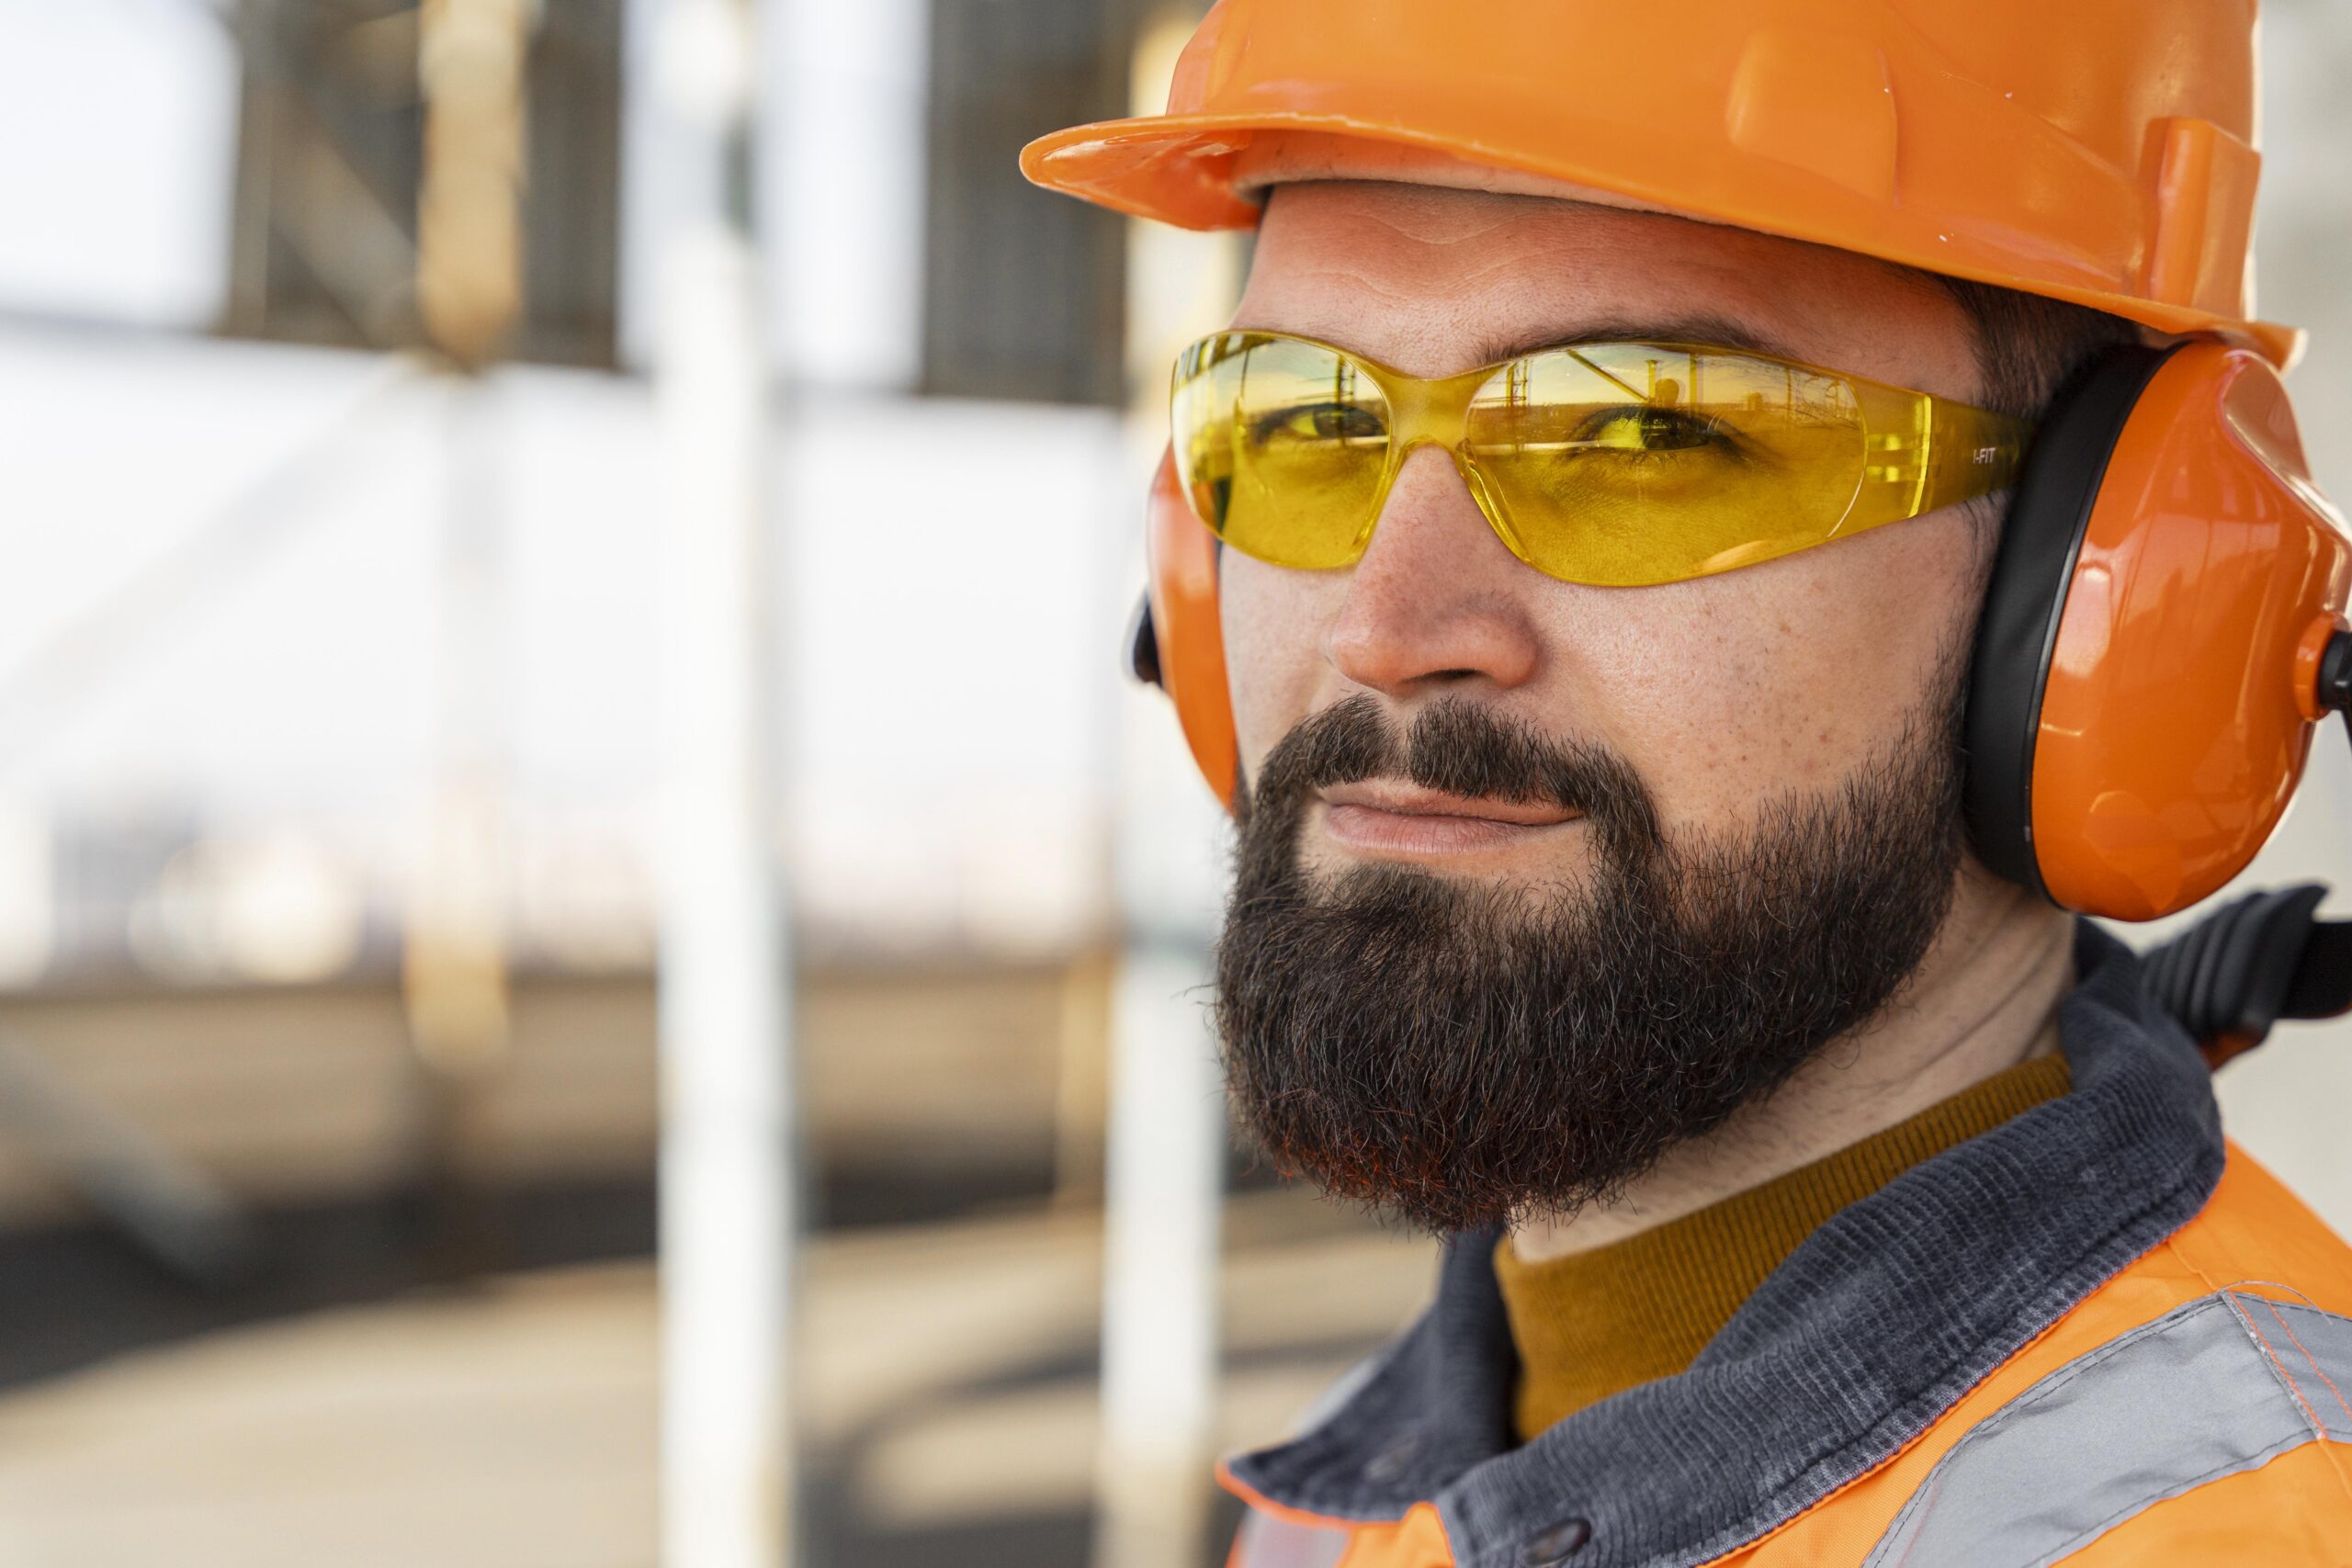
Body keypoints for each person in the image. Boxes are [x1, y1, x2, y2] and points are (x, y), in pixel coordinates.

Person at [1025, 3, 2352, 1564]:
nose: (1385, 630)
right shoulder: (1355, 1512)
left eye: (1644, 433)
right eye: (1308, 419)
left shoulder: (2243, 1525)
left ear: (2092, 606)